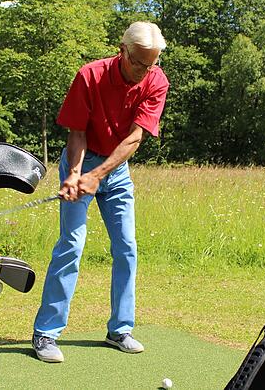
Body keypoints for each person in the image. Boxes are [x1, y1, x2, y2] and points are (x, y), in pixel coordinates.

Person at [31, 21, 169, 363]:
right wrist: (76, 174)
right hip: (82, 157)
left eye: (150, 64)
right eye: (138, 62)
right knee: (72, 245)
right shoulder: (89, 76)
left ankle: (119, 329)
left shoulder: (156, 81)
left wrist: (98, 175)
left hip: (116, 170)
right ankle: (45, 334)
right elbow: (76, 132)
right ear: (121, 50)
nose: (144, 71)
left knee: (127, 246)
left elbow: (135, 138)